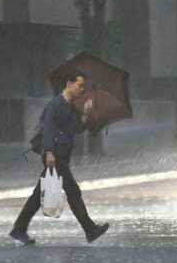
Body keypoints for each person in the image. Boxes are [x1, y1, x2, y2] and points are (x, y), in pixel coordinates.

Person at [9, 71, 110, 246]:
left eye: (83, 87)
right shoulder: (55, 105)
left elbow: (77, 129)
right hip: (54, 156)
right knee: (73, 191)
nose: (81, 89)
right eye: (79, 85)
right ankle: (90, 229)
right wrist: (48, 152)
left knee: (38, 196)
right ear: (69, 84)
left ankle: (19, 229)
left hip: (61, 155)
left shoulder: (72, 107)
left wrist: (85, 114)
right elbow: (48, 128)